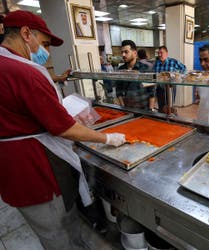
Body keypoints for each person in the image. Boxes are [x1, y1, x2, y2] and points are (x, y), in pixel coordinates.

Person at [0, 10, 126, 249]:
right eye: (45, 43)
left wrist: (56, 82)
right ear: (26, 33)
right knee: (57, 231)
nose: (45, 51)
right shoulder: (25, 71)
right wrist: (107, 137)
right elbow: (63, 127)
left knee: (49, 230)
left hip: (10, 169)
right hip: (35, 169)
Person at [115, 40, 156, 110]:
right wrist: (123, 107)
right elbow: (118, 91)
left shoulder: (145, 69)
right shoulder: (120, 70)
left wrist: (150, 110)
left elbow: (152, 92)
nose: (123, 55)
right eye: (122, 52)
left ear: (135, 53)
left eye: (126, 52)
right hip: (127, 109)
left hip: (144, 109)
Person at [153, 45, 187, 113]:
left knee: (170, 106)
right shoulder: (156, 63)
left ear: (166, 53)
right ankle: (161, 119)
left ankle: (171, 119)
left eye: (161, 53)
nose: (159, 55)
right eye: (158, 53)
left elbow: (184, 68)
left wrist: (177, 76)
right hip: (159, 87)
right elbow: (155, 74)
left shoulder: (173, 61)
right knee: (161, 106)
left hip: (170, 87)